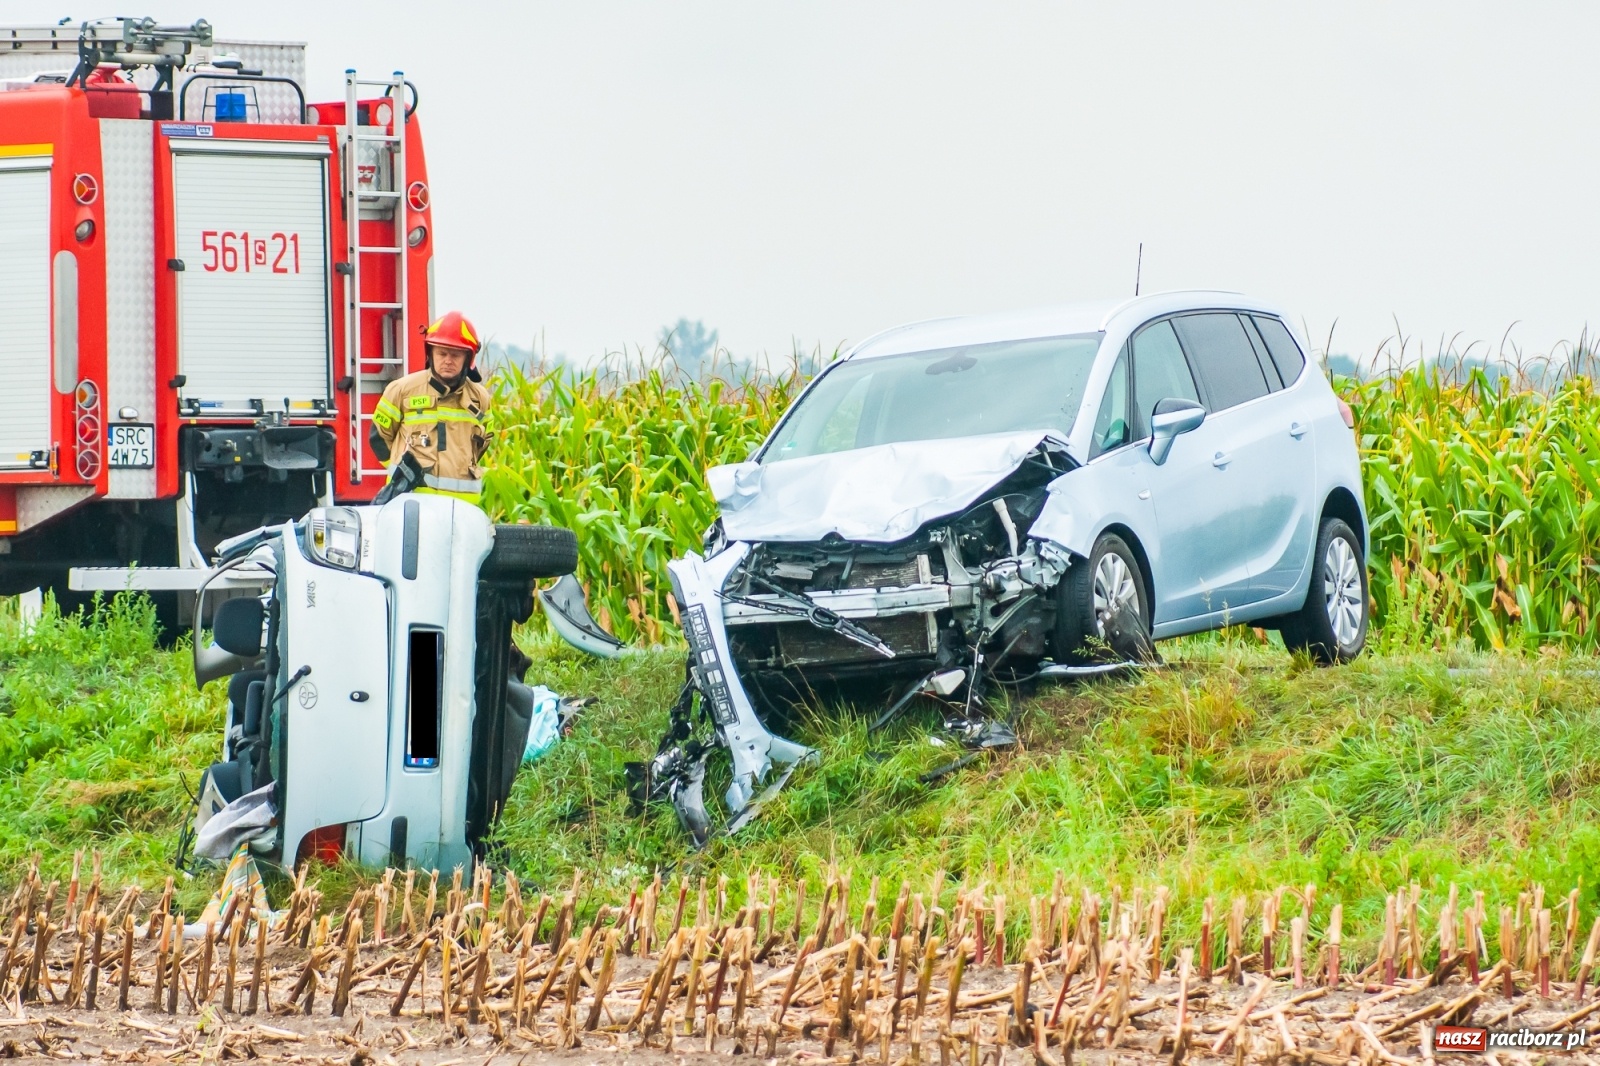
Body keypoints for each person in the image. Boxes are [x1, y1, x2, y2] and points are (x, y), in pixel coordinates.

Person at [369, 311, 494, 505]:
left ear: (468, 359)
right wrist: (400, 468)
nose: (447, 360)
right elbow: (378, 436)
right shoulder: (402, 390)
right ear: (430, 353)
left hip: (463, 509)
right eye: (441, 353)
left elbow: (484, 443)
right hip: (412, 504)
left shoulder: (480, 399)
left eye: (455, 355)